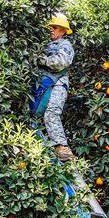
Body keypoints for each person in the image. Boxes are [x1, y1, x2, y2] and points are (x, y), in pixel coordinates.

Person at [37, 13, 75, 160]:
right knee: (38, 113)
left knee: (52, 112)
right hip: (45, 85)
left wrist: (43, 60)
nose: (51, 30)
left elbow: (60, 62)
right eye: (51, 27)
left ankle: (62, 147)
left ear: (63, 31)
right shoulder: (45, 44)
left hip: (58, 84)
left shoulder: (64, 44)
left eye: (55, 27)